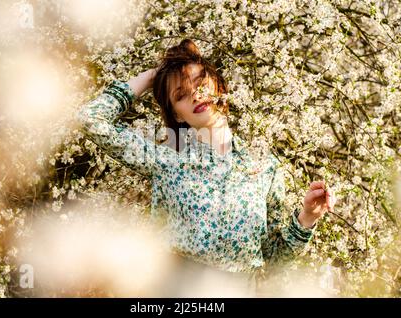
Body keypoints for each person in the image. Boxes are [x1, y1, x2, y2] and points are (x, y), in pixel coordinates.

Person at [76, 39, 337, 297]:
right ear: (177, 114)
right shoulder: (167, 160)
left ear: (219, 85)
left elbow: (273, 258)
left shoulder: (264, 166)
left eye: (200, 83)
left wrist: (308, 217)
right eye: (180, 95)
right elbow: (90, 118)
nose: (194, 95)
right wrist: (154, 76)